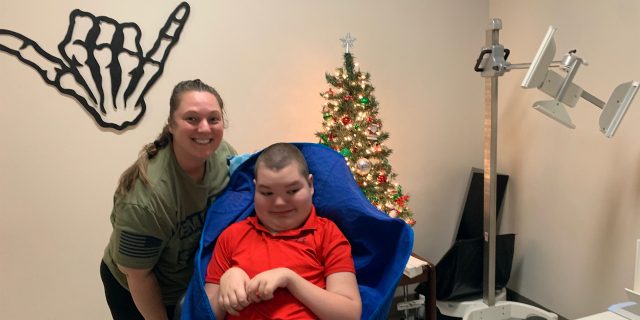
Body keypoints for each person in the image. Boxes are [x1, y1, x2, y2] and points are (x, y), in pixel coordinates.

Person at [100, 79, 237, 320]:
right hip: (136, 289)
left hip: (190, 280)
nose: (205, 128)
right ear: (172, 125)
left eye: (213, 119)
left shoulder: (224, 155)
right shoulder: (146, 199)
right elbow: (138, 275)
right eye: (192, 118)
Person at [204, 142, 362, 320]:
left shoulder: (327, 234)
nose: (279, 202)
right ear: (255, 188)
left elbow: (349, 314)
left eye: (292, 191)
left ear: (310, 185)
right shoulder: (232, 236)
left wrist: (290, 279)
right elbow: (205, 313)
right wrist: (227, 280)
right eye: (267, 193)